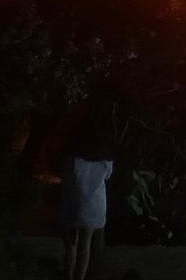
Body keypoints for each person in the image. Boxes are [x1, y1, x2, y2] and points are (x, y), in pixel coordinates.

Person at [58, 109, 114, 280]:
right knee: (85, 244)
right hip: (95, 206)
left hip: (74, 203)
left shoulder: (73, 158)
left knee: (70, 245)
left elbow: (65, 175)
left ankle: (68, 275)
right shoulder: (105, 158)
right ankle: (79, 277)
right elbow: (108, 176)